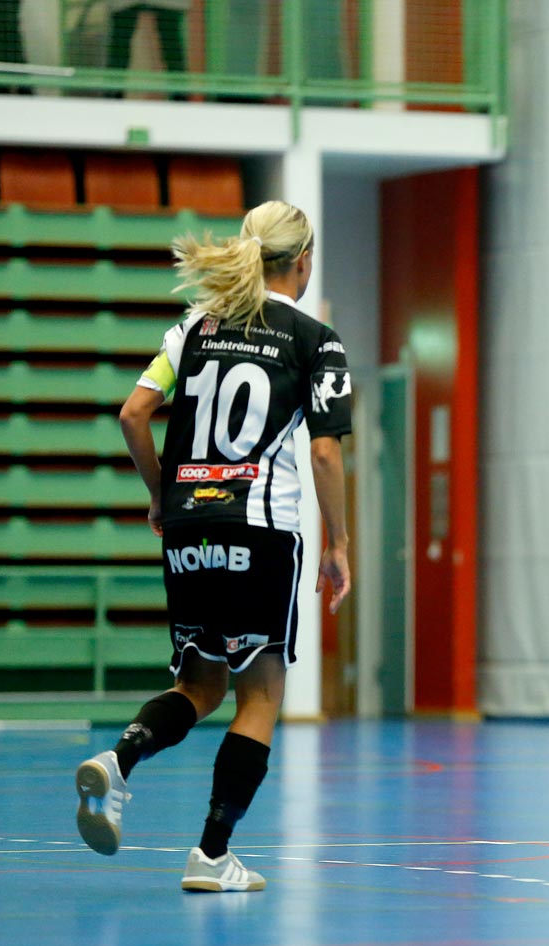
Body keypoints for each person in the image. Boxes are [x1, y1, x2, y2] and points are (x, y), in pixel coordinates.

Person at [72, 200, 353, 892]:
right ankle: (211, 854)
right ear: (304, 261)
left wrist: (161, 494)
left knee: (198, 683)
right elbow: (323, 455)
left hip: (188, 525)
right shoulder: (316, 340)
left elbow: (133, 414)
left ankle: (118, 759)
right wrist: (339, 542)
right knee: (259, 696)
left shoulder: (192, 330)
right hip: (258, 530)